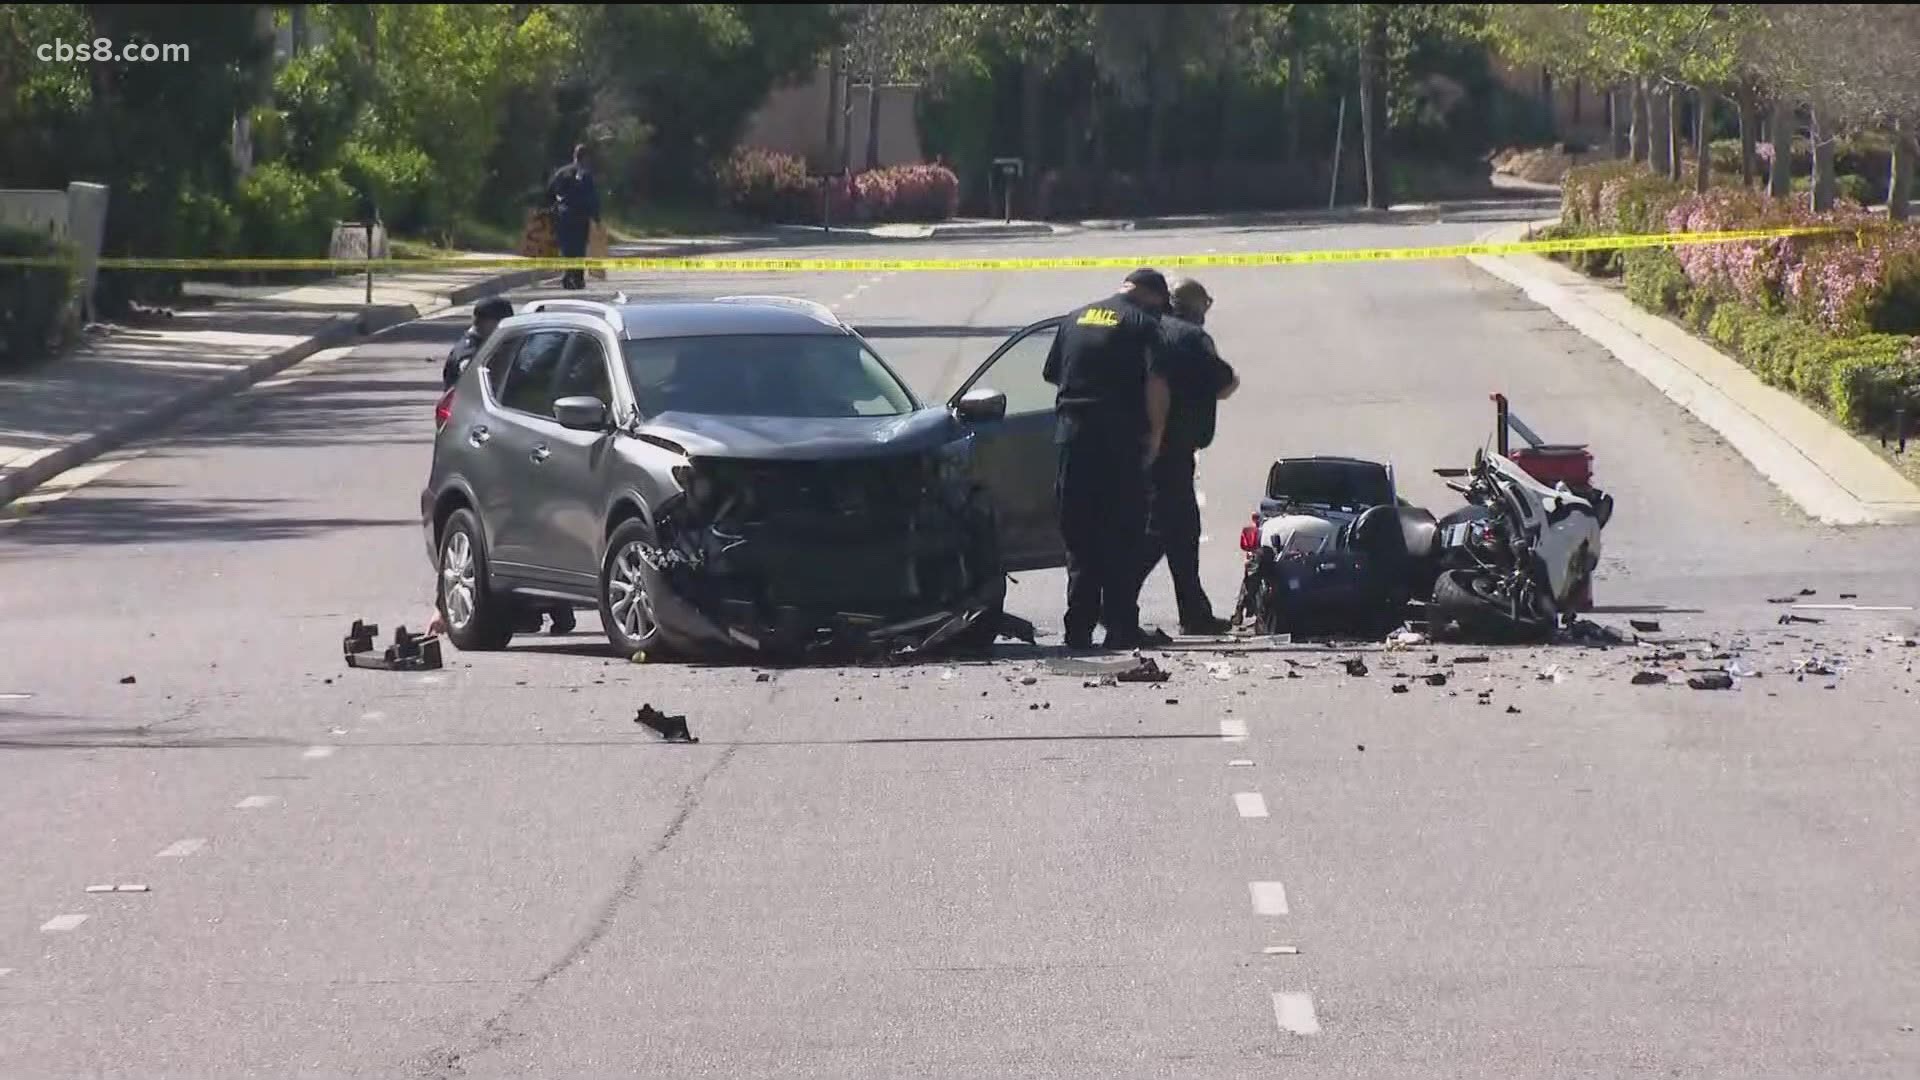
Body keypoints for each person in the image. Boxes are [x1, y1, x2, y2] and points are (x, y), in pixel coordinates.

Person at [1042, 268, 1176, 651]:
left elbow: (1053, 374)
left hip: (1072, 437)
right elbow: (1157, 385)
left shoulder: (1074, 317)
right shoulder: (1144, 324)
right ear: (1152, 295)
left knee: (1080, 537)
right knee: (1123, 536)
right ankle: (1120, 627)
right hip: (1118, 441)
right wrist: (1155, 438)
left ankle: (1078, 629)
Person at [1139, 278, 1240, 635]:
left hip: (1141, 446)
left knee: (1177, 532)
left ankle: (1194, 611)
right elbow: (1225, 382)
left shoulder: (1147, 329)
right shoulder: (1192, 338)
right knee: (1164, 530)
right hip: (1172, 449)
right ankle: (1114, 600)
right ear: (1198, 308)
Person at [546, 143, 601, 290]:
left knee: (566, 247)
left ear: (574, 156)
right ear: (586, 158)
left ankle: (568, 274)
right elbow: (592, 198)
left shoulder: (561, 172)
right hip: (580, 217)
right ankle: (577, 277)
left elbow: (550, 192)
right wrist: (596, 218)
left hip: (563, 216)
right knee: (579, 248)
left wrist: (550, 210)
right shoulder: (586, 175)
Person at [442, 297, 514, 391]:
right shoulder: (469, 349)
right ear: (487, 322)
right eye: (502, 322)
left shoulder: (487, 343)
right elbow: (472, 377)